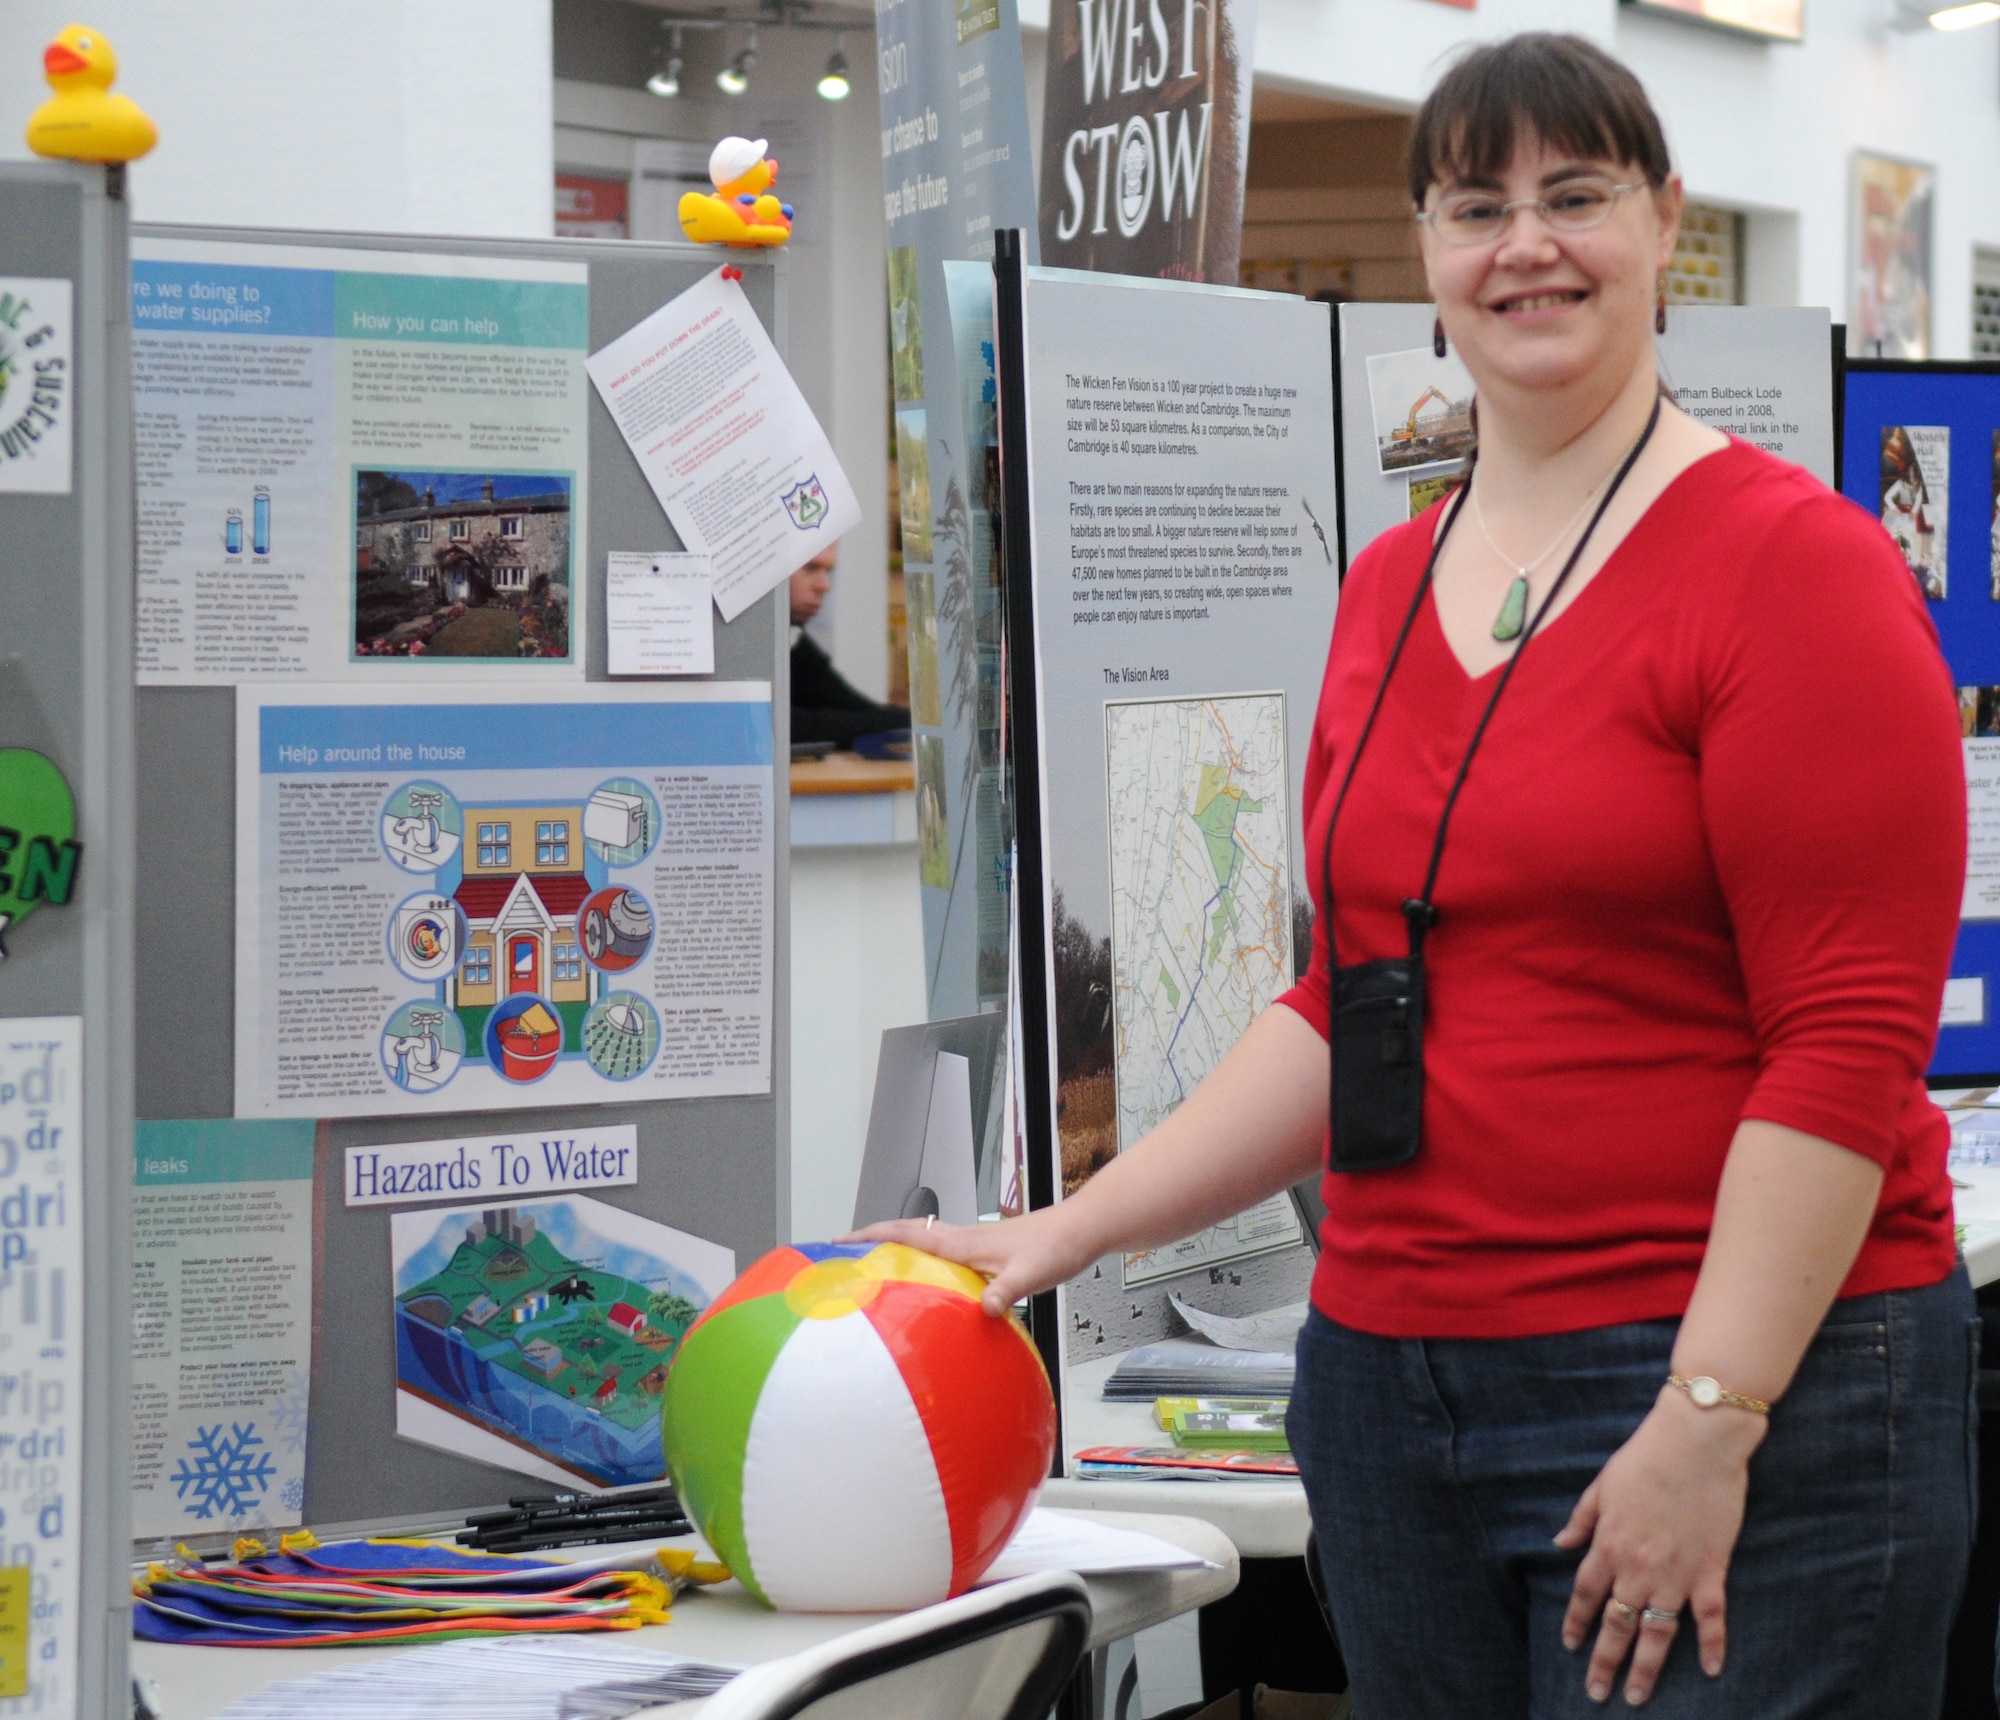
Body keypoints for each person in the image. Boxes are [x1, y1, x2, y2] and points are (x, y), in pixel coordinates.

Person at [861, 34, 1973, 1718]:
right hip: (1392, 1397)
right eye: (1477, 205)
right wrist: (1055, 1236)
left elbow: (1842, 1049)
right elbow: (1347, 1001)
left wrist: (1708, 1416)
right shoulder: (1390, 585)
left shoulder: (1795, 573)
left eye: (1576, 194)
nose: (1527, 243)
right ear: (1429, 260)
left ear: (1665, 223)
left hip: (1732, 1392)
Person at [789, 545, 910, 747]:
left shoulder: (794, 639)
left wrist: (926, 723)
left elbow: (855, 708)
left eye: (828, 572)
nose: (824, 585)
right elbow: (788, 726)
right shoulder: (741, 643)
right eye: (810, 568)